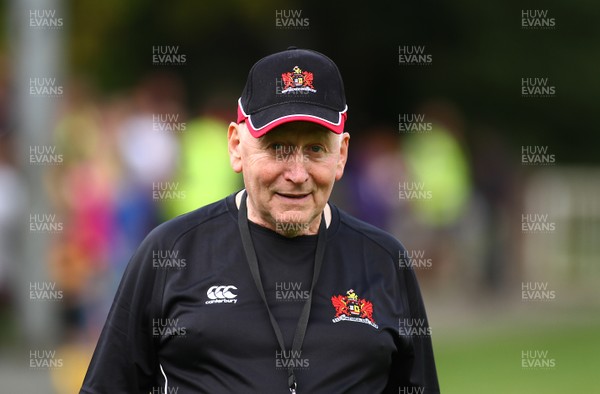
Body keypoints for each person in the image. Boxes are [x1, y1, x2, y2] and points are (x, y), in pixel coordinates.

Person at [81, 47, 439, 394]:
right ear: (237, 147)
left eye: (315, 149)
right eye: (277, 148)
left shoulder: (384, 260)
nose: (297, 173)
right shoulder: (170, 252)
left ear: (341, 155)